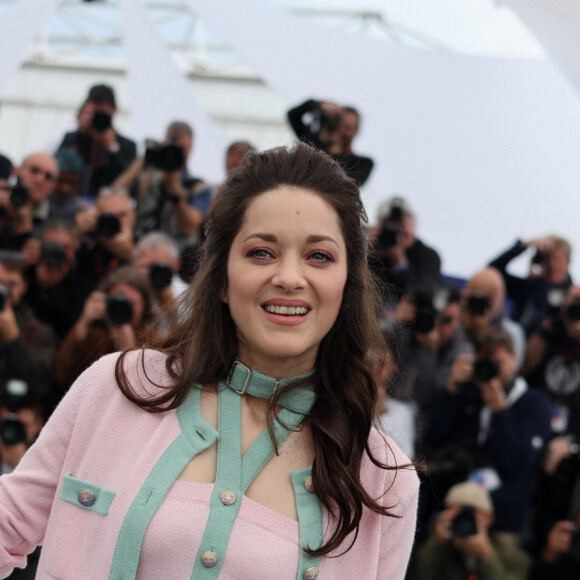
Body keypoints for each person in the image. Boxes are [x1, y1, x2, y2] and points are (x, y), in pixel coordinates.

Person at [0, 143, 419, 578]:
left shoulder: (385, 483)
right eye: (261, 252)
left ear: (347, 285)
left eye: (319, 256)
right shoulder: (119, 387)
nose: (290, 278)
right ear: (220, 278)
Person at [427, 328, 552, 538]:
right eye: (485, 363)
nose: (491, 371)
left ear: (515, 359)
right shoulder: (470, 393)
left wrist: (500, 413)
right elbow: (434, 439)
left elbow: (519, 464)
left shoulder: (535, 405)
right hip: (455, 495)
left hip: (505, 510)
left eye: (498, 362)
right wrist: (450, 390)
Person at [113, 120, 212, 253]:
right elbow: (114, 193)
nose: (177, 152)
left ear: (190, 149)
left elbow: (189, 226)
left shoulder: (199, 188)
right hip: (141, 249)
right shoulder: (147, 179)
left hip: (178, 255)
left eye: (182, 149)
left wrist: (175, 192)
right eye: (172, 145)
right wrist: (145, 159)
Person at [53, 265, 154, 391]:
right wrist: (82, 324)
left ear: (144, 306)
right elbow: (62, 376)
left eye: (131, 303)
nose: (121, 308)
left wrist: (129, 351)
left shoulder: (153, 342)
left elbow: (145, 392)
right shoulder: (95, 333)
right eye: (118, 301)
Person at [415, 481, 529, 580]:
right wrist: (437, 543)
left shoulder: (513, 557)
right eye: (458, 514)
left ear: (489, 517)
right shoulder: (440, 551)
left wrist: (487, 556)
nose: (465, 521)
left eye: (471, 514)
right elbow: (421, 575)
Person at [57, 84, 137, 198]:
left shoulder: (127, 146)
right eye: (94, 110)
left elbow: (129, 181)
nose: (98, 115)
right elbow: (59, 166)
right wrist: (80, 134)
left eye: (102, 110)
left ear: (114, 110)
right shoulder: (73, 138)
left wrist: (112, 148)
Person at [489, 235, 573, 337]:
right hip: (519, 344)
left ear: (568, 262)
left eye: (557, 259)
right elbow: (492, 272)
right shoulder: (530, 287)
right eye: (548, 258)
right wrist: (525, 245)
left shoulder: (574, 297)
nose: (552, 264)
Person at [287, 98, 374, 185]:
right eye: (340, 124)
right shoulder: (311, 144)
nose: (342, 131)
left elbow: (343, 184)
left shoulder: (361, 163)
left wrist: (335, 148)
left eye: (348, 128)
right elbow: (293, 115)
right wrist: (319, 105)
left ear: (356, 131)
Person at [370, 196, 441, 303]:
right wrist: (361, 250)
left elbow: (423, 294)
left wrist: (400, 261)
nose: (397, 232)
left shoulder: (428, 256)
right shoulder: (373, 252)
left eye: (402, 224)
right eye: (391, 224)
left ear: (413, 225)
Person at [0, 153, 59, 251]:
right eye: (34, 170)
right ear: (18, 171)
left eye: (48, 177)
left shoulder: (53, 223)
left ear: (53, 186)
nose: (40, 180)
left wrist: (25, 230)